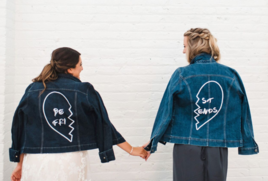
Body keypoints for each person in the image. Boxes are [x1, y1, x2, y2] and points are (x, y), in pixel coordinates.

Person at [10, 47, 148, 181]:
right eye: (80, 64)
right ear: (70, 69)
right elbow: (103, 123)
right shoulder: (84, 90)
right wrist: (131, 150)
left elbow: (23, 129)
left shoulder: (33, 89)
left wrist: (20, 164)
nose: (82, 68)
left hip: (35, 160)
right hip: (70, 160)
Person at [144, 28, 259, 181]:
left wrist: (153, 141)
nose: (183, 51)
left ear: (193, 47)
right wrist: (247, 143)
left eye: (185, 46)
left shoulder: (181, 74)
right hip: (218, 147)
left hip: (186, 145)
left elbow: (166, 111)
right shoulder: (230, 75)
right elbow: (243, 110)